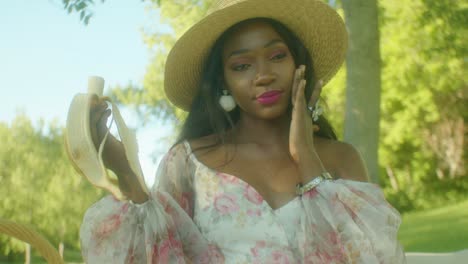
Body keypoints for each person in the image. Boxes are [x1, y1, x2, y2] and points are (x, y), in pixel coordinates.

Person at [80, 0, 406, 263]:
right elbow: (158, 250)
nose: (263, 74)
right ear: (224, 81)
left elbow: (372, 256)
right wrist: (123, 170)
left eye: (277, 56)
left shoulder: (341, 157)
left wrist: (304, 154)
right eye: (242, 65)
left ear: (299, 64)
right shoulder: (189, 162)